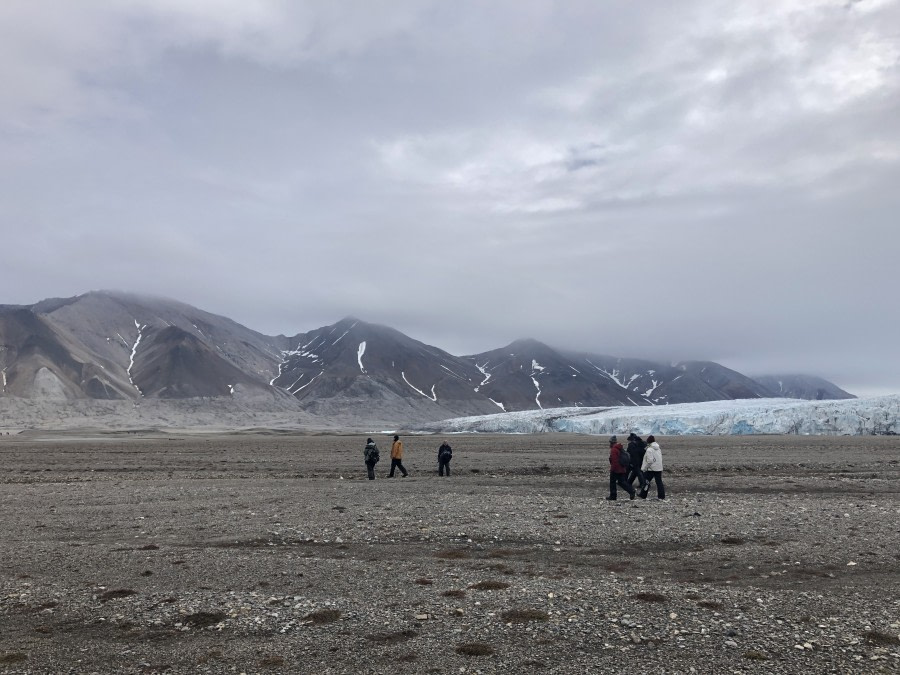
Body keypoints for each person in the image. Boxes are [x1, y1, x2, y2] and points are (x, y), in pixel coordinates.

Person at [606, 435, 635, 501]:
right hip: (622, 468)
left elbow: (614, 461)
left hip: (616, 469)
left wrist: (613, 469)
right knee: (622, 482)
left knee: (613, 482)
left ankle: (613, 496)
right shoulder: (619, 448)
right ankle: (631, 491)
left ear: (611, 442)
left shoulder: (614, 449)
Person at [639, 435, 666, 500]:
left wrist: (645, 468)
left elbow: (650, 461)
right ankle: (661, 496)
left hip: (651, 469)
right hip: (658, 468)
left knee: (646, 482)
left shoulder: (649, 449)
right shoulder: (658, 448)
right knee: (659, 482)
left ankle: (643, 495)